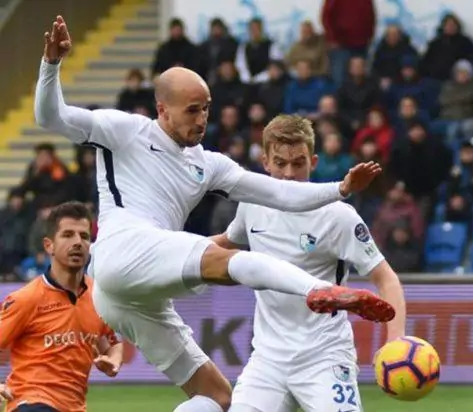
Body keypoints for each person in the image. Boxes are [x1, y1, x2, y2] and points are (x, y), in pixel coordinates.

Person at [35, 16, 395, 412]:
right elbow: (52, 118)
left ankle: (314, 291)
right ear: (162, 110)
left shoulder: (208, 165)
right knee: (230, 261)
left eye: (206, 108)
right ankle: (316, 290)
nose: (202, 118)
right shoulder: (125, 130)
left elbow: (281, 192)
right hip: (121, 251)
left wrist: (340, 189)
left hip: (130, 298)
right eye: (192, 110)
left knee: (218, 399)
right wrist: (51, 66)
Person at [211, 117, 406, 412]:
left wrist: (396, 342)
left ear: (313, 162)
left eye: (298, 163)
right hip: (268, 360)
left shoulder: (338, 216)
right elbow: (225, 242)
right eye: (280, 163)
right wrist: (167, 247)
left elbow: (386, 279)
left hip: (325, 358)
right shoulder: (252, 206)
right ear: (265, 162)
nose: (289, 174)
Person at [0, 202, 123, 412]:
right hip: (30, 402)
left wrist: (113, 361)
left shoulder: (99, 297)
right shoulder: (26, 299)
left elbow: (113, 343)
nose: (77, 242)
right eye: (67, 235)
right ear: (49, 245)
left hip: (74, 406)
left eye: (84, 236)